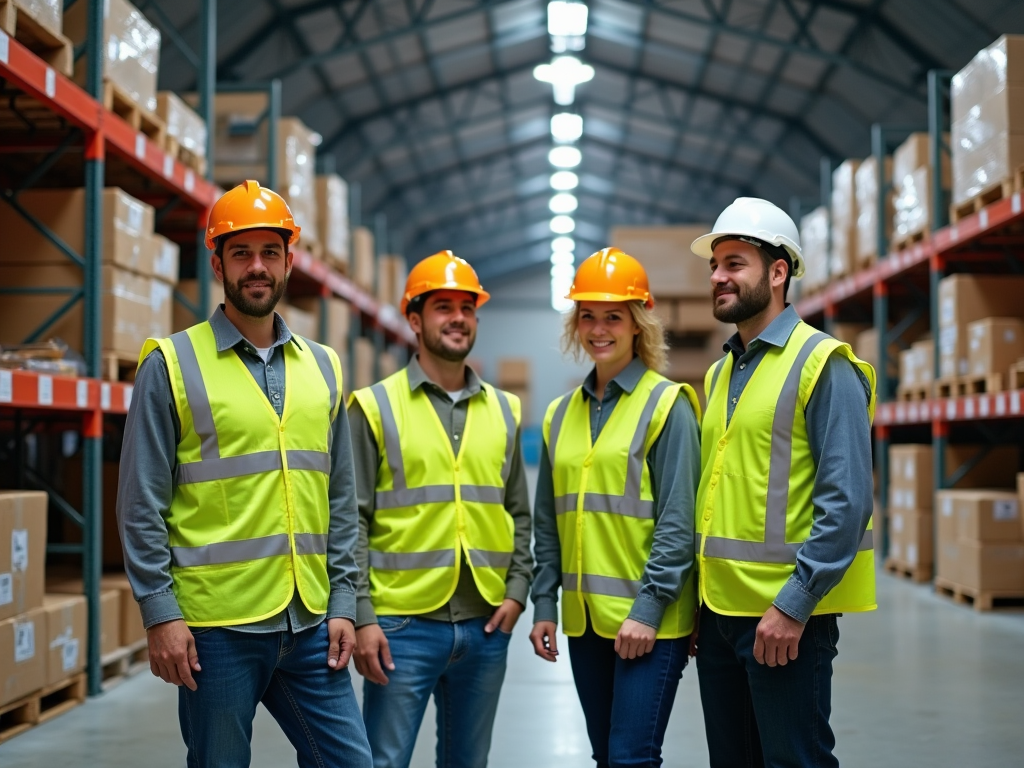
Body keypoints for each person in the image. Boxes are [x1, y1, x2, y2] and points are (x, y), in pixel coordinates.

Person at [116, 180, 372, 768]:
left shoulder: (325, 368)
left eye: (270, 253)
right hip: (216, 631)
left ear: (288, 261)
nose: (257, 267)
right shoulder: (172, 364)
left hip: (308, 622)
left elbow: (340, 500)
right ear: (217, 262)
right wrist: (161, 614)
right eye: (241, 253)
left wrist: (344, 602)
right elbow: (140, 504)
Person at [688, 197, 877, 768]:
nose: (719, 277)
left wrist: (794, 605)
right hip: (719, 618)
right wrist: (700, 605)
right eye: (715, 265)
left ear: (778, 272)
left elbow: (847, 501)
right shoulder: (721, 372)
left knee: (795, 761)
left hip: (785, 620)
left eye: (734, 263)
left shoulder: (824, 363)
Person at [348, 250, 533, 768]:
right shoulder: (373, 407)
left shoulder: (505, 410)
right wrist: (363, 616)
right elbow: (351, 523)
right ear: (414, 319)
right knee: (383, 762)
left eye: (467, 308)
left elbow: (519, 511)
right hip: (401, 628)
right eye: (443, 307)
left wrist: (518, 591)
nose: (458, 318)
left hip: (486, 626)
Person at [529, 247, 702, 768]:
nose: (598, 329)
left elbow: (678, 522)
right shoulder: (560, 415)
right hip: (585, 623)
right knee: (606, 756)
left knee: (631, 757)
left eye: (613, 317)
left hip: (648, 622)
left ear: (638, 322)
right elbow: (547, 522)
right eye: (588, 316)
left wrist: (648, 611)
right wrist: (544, 604)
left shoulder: (667, 406)